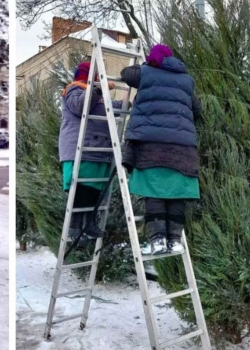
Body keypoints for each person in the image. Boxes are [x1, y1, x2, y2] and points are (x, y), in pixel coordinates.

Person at [120, 44, 202, 255]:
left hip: (151, 145)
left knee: (153, 192)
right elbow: (197, 109)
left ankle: (157, 240)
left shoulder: (145, 73)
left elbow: (126, 74)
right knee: (176, 194)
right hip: (183, 148)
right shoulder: (186, 80)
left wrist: (146, 64)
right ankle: (175, 241)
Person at [59, 62, 123, 243]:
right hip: (81, 149)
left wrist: (131, 103)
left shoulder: (95, 95)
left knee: (94, 189)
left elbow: (111, 108)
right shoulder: (74, 89)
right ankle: (75, 227)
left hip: (98, 149)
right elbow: (80, 106)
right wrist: (98, 89)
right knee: (81, 189)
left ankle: (89, 223)